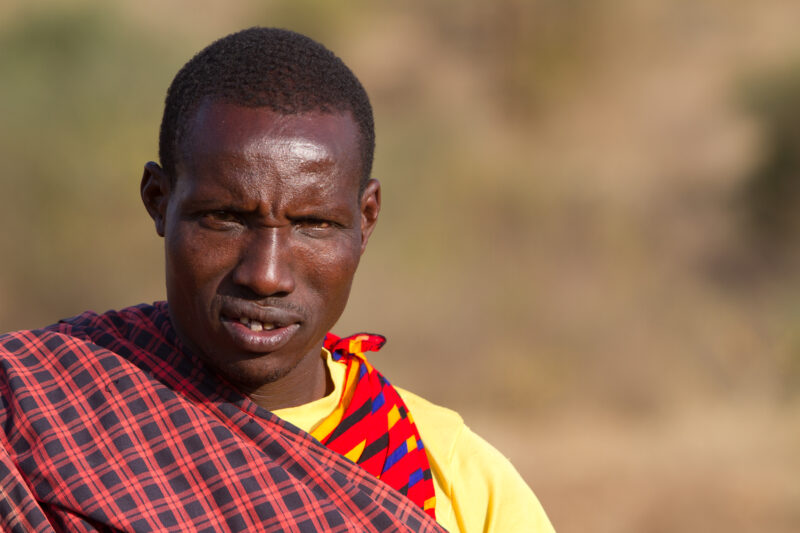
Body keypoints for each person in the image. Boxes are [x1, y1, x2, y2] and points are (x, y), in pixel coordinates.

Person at [0, 27, 555, 532]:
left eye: (314, 225)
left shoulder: (448, 476)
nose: (265, 276)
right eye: (224, 219)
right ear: (158, 201)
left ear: (365, 220)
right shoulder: (32, 409)